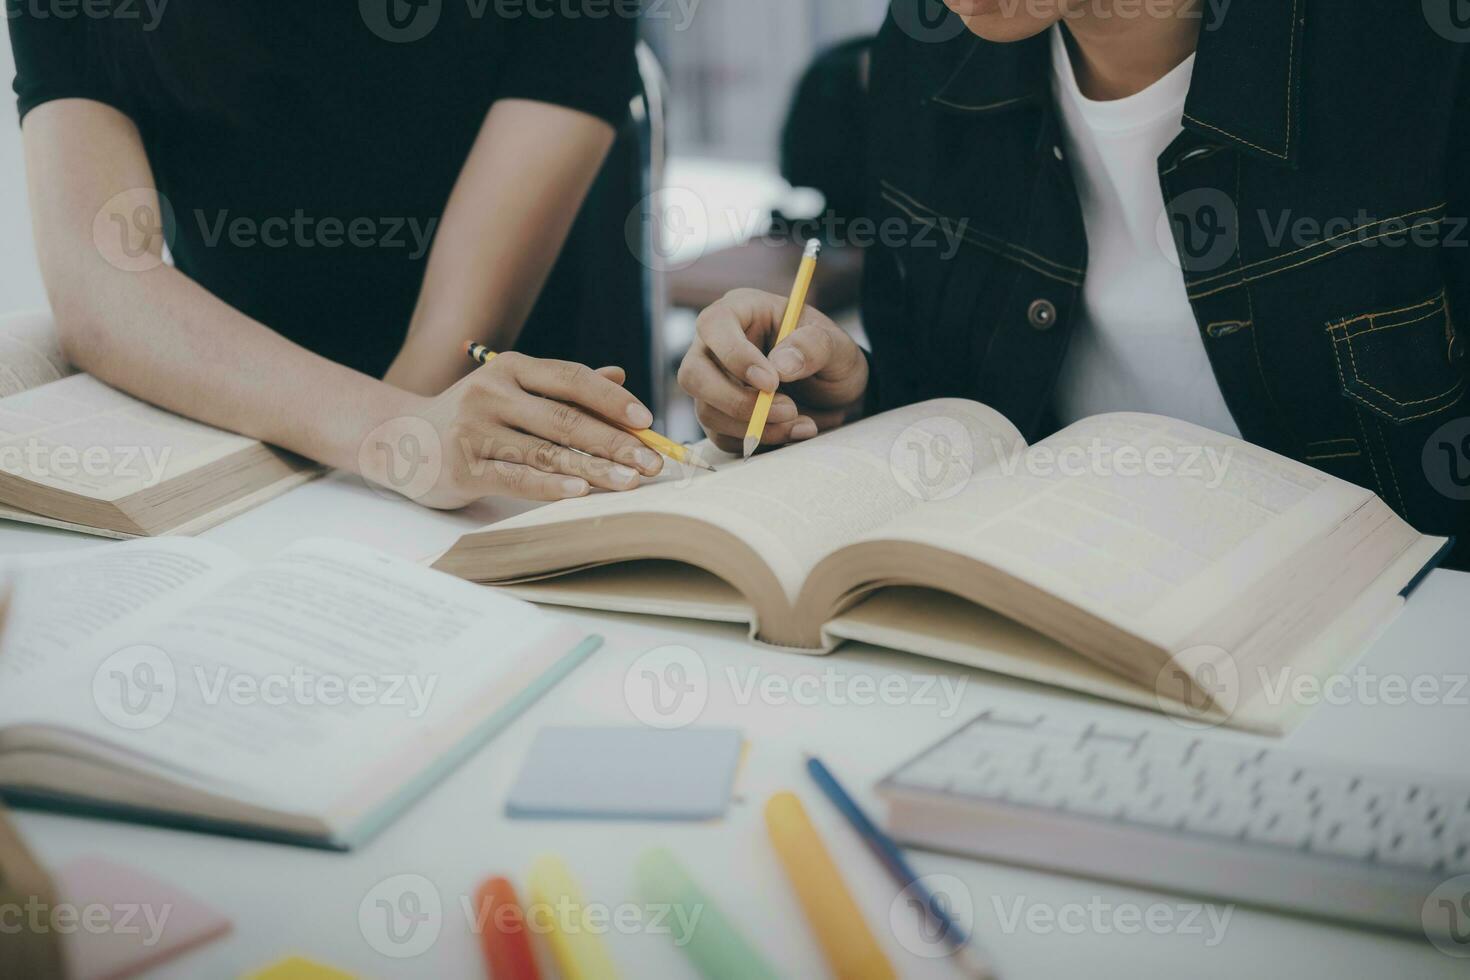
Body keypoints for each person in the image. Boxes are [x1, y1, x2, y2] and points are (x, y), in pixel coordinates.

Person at [679, 0, 1470, 566]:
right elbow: (951, 411)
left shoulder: (1421, 52)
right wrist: (843, 397)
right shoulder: (927, 45)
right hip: (1046, 620)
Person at [7, 1, 664, 506]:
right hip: (250, 413)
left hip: (501, 437)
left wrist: (395, 448)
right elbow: (101, 284)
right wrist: (391, 436)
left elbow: (454, 328)